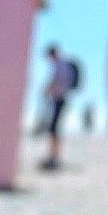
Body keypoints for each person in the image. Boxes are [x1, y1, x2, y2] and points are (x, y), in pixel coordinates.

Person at [38, 42, 81, 171]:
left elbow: (58, 82)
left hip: (60, 99)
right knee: (54, 129)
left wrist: (48, 90)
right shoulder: (62, 64)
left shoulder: (60, 65)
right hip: (60, 99)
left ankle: (54, 157)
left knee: (54, 129)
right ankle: (53, 156)